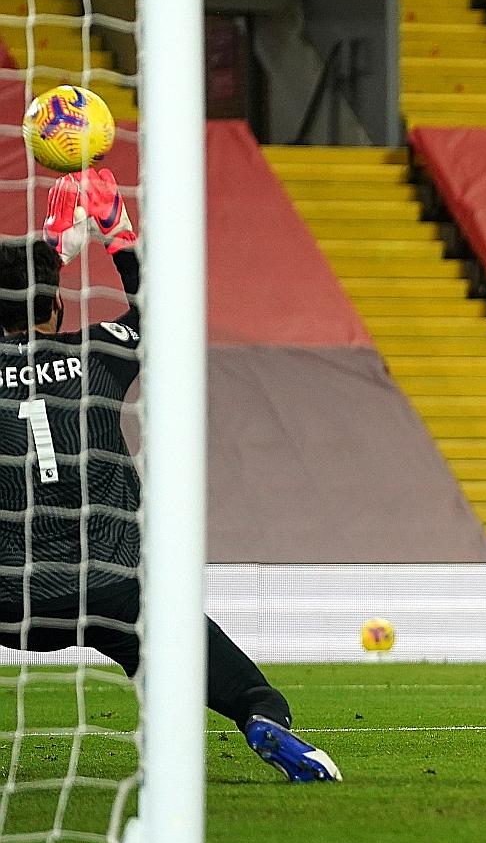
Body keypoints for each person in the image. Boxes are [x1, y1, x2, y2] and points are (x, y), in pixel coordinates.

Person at [0, 168, 340, 782]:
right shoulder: (95, 351)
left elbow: (17, 302)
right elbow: (164, 311)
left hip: (7, 596)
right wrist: (113, 230)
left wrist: (53, 247)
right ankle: (264, 718)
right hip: (108, 585)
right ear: (55, 303)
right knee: (179, 635)